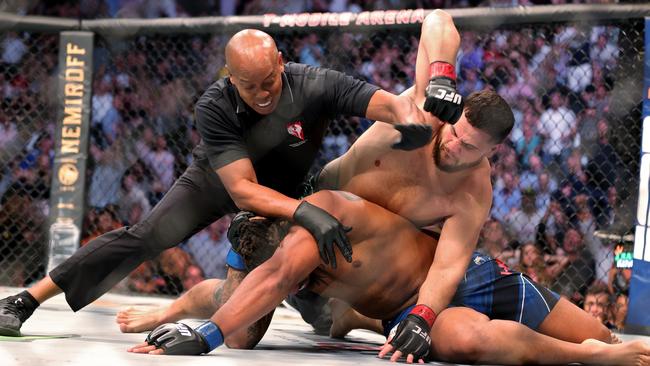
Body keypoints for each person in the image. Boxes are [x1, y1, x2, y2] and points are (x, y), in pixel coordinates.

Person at [123, 10, 512, 361]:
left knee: (327, 318)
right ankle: (173, 309)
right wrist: (443, 75)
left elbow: (447, 264)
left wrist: (422, 318)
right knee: (241, 332)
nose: (458, 147)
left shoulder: (472, 190)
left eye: (472, 147)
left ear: (490, 150)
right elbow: (438, 20)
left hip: (363, 254)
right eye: (458, 135)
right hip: (313, 210)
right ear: (454, 117)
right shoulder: (423, 109)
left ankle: (352, 316)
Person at [0, 28, 442, 337]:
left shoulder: (314, 84)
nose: (263, 92)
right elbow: (244, 190)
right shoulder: (215, 105)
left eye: (270, 79)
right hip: (218, 180)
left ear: (282, 64)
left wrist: (410, 120)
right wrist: (306, 211)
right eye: (250, 86)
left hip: (288, 189)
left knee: (292, 307)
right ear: (231, 79)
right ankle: (26, 300)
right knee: (147, 236)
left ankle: (321, 307)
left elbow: (384, 101)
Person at [127, 190, 650, 365]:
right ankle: (593, 358)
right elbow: (230, 295)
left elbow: (272, 278)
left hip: (463, 277)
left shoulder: (319, 216)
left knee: (601, 329)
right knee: (472, 340)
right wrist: (176, 314)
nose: (282, 272)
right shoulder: (282, 264)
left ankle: (601, 346)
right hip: (407, 314)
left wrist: (206, 337)